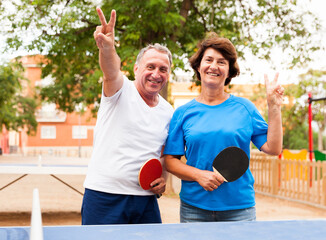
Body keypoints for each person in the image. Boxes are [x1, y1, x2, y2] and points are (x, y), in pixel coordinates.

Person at [163, 33, 283, 222]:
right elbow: (170, 160)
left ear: (229, 71)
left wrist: (274, 107)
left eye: (221, 62)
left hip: (239, 209)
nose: (214, 66)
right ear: (199, 67)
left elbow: (273, 148)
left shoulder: (245, 108)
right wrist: (198, 175)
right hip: (194, 208)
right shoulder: (183, 113)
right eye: (208, 60)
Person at [81, 7, 174, 225]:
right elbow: (111, 70)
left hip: (146, 200)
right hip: (104, 195)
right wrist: (107, 49)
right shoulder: (120, 89)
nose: (156, 74)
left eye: (163, 69)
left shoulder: (169, 111)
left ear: (168, 74)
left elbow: (162, 152)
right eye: (150, 66)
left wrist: (163, 179)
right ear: (135, 69)